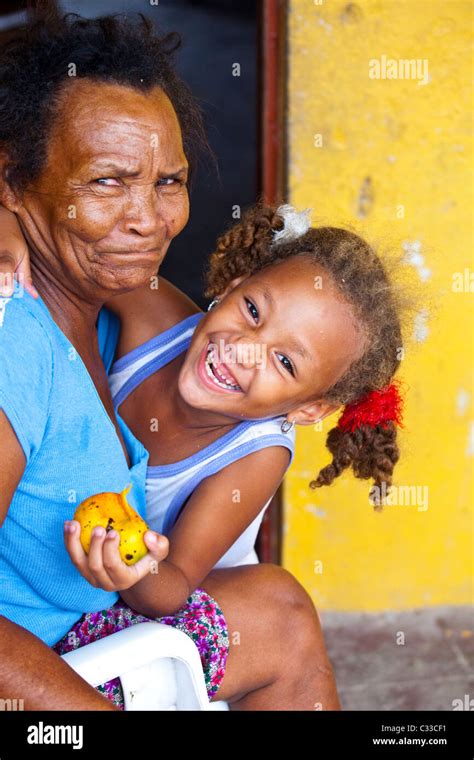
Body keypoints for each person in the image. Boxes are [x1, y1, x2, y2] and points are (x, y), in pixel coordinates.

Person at [0, 12, 340, 710]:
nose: (149, 220)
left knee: (279, 608)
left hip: (87, 624)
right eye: (105, 183)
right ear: (14, 179)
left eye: (168, 183)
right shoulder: (15, 346)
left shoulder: (106, 316)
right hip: (42, 668)